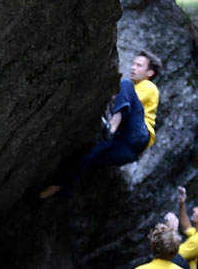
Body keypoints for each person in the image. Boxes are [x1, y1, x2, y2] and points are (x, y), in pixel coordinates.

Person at [39, 50, 161, 199]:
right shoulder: (131, 90)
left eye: (139, 65)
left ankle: (113, 124)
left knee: (125, 83)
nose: (133, 67)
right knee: (87, 156)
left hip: (138, 135)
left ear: (150, 72)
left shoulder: (149, 87)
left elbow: (122, 99)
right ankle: (55, 190)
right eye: (134, 64)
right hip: (127, 149)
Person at [165, 186, 198, 269]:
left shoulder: (196, 241)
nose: (194, 209)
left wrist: (173, 231)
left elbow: (172, 255)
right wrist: (182, 204)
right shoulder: (195, 234)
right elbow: (186, 228)